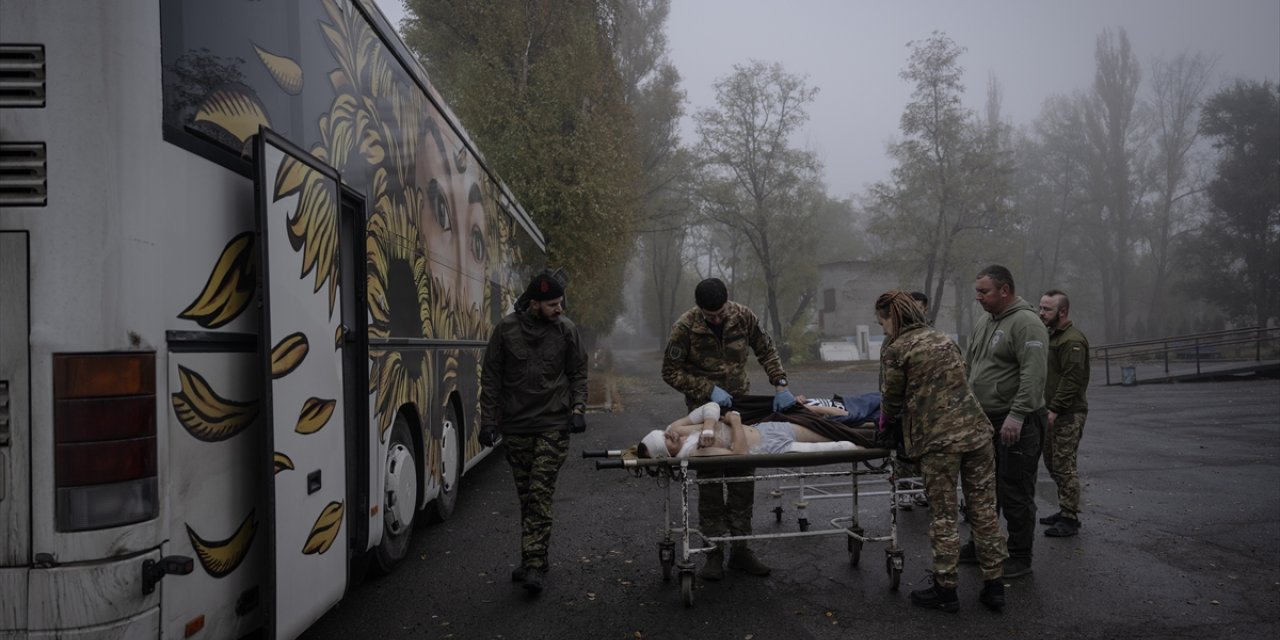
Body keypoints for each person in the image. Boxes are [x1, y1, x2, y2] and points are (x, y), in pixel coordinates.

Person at [876, 290, 1007, 613]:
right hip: (977, 434)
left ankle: (946, 590)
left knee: (944, 515)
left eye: (881, 322)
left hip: (939, 442)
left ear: (893, 316)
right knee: (984, 511)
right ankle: (994, 587)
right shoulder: (943, 339)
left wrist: (884, 426)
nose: (882, 329)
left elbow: (891, 401)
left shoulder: (897, 349)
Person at [661, 277, 791, 581]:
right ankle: (714, 552)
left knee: (743, 475)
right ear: (700, 309)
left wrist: (780, 383)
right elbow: (669, 371)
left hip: (740, 407)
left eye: (720, 313)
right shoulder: (685, 327)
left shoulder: (743, 316)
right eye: (710, 316)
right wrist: (708, 389)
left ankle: (741, 549)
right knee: (709, 479)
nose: (716, 319)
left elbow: (766, 350)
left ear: (727, 303)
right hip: (702, 414)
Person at [478, 270, 588, 595]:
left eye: (560, 302)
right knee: (526, 495)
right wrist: (488, 422)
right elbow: (491, 378)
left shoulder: (566, 331)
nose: (560, 309)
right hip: (516, 426)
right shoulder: (506, 330)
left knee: (539, 493)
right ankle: (532, 558)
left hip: (553, 424)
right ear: (535, 304)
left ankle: (535, 566)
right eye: (553, 304)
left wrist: (579, 409)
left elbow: (578, 372)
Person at [961, 265, 1049, 579]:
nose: (978, 297)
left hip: (1016, 421)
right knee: (984, 489)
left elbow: (1034, 375)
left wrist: (1017, 415)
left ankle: (1020, 556)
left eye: (984, 291)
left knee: (1014, 490)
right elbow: (971, 365)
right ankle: (982, 544)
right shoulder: (986, 320)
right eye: (978, 291)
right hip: (985, 419)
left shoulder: (1027, 323)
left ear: (1005, 290)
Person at [1038, 289, 1090, 537]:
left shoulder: (1072, 340)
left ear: (1062, 311)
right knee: (1051, 461)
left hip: (1068, 413)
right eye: (1041, 307)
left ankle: (1070, 517)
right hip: (1052, 411)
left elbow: (1072, 379)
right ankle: (1064, 508)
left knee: (1064, 465)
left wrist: (1055, 408)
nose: (1041, 313)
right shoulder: (1053, 337)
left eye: (1047, 309)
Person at [636, 402, 860, 459]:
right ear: (667, 454)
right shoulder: (695, 451)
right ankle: (879, 438)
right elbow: (739, 454)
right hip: (771, 443)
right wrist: (734, 421)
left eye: (662, 432)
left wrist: (708, 426)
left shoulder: (676, 428)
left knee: (832, 422)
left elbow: (711, 407)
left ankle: (861, 417)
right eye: (664, 440)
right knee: (843, 440)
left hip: (767, 428)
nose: (668, 434)